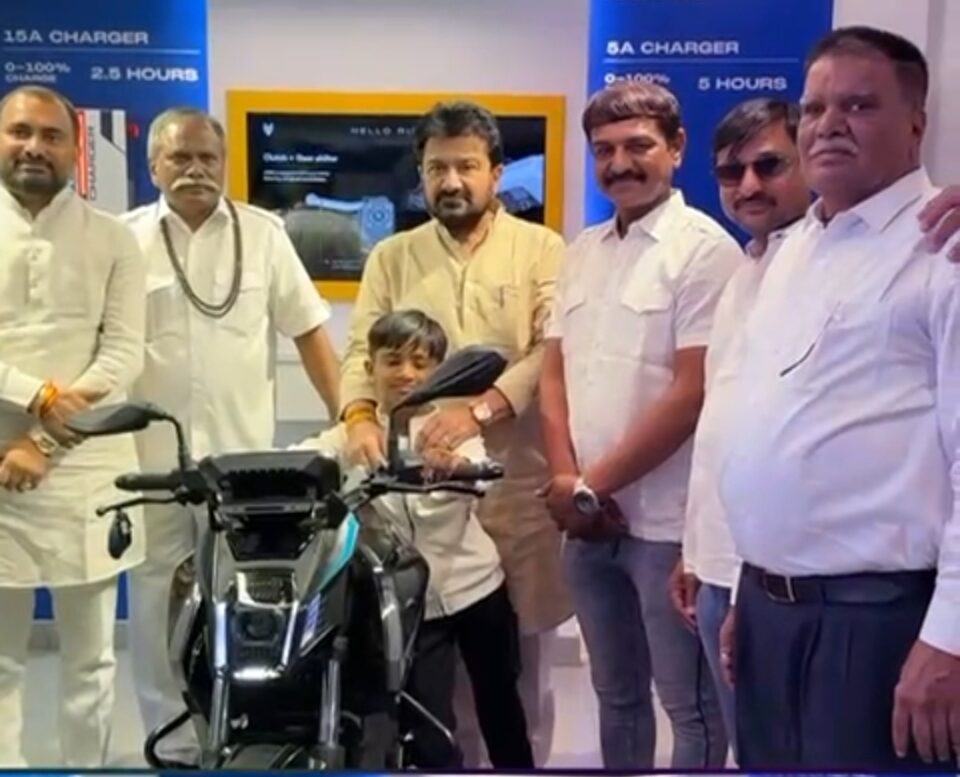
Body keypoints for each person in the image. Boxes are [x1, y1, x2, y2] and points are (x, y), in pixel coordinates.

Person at [715, 27, 960, 769]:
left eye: (859, 105)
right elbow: (766, 426)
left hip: (880, 620)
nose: (828, 125)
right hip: (771, 612)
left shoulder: (944, 251)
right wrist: (751, 588)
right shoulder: (793, 250)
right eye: (815, 107)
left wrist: (949, 637)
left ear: (915, 123)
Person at [339, 101, 572, 767]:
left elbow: (550, 350)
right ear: (420, 175)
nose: (451, 181)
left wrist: (481, 410)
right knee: (431, 674)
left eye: (466, 166)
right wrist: (359, 417)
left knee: (521, 671)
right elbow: (360, 351)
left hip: (514, 484)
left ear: (496, 172)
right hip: (424, 497)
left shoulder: (542, 248)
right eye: (437, 168)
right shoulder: (393, 256)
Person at [122, 107, 340, 764]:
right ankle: (175, 746)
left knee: (243, 603)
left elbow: (310, 332)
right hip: (154, 465)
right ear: (153, 166)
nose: (194, 169)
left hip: (242, 469)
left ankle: (242, 733)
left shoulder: (264, 235)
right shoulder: (124, 241)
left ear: (224, 164)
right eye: (179, 157)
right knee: (156, 604)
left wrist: (351, 416)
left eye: (207, 157)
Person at [539, 80, 739, 769]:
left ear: (677, 148)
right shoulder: (582, 250)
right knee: (614, 695)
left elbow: (692, 392)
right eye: (604, 150)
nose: (619, 163)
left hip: (666, 528)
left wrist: (586, 487)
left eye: (638, 146)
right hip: (588, 526)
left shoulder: (705, 251)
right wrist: (567, 482)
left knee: (690, 708)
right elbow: (554, 373)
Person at [296, 309, 533, 768]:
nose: (407, 373)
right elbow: (302, 458)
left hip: (477, 588)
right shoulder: (352, 436)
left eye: (421, 363)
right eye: (393, 361)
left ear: (440, 372)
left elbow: (480, 469)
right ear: (371, 368)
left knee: (501, 705)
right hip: (410, 603)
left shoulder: (449, 429)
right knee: (428, 720)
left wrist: (455, 467)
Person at [0, 85, 146, 766]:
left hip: (85, 471)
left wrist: (44, 438)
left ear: (76, 147)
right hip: (0, 468)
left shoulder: (113, 238)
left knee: (91, 662)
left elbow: (123, 356)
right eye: (19, 132)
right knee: (2, 661)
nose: (34, 146)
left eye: (51, 135)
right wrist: (34, 395)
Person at [668, 98, 812, 759]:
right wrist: (696, 551)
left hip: (778, 579)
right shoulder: (742, 272)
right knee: (752, 751)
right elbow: (721, 430)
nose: (748, 185)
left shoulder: (819, 267)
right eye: (731, 172)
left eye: (769, 165)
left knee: (788, 752)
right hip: (720, 567)